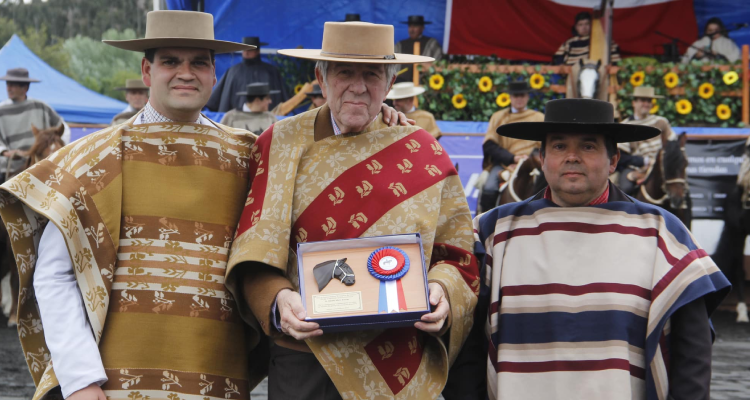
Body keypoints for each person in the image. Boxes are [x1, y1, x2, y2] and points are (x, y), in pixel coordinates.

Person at [0, 11, 262, 400]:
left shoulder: (247, 155)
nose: (185, 73)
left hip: (217, 378)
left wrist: (384, 119)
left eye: (199, 62)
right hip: (114, 383)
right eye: (171, 61)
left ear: (214, 74)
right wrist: (80, 382)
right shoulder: (92, 157)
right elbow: (55, 276)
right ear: (146, 70)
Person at [226, 21, 479, 400]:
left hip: (395, 358)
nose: (358, 86)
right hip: (303, 357)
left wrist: (443, 290)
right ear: (321, 78)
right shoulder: (277, 144)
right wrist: (278, 300)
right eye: (345, 72)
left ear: (390, 84)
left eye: (372, 74)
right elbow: (252, 250)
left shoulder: (422, 151)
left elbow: (457, 254)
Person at [473, 98, 730, 400]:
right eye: (558, 147)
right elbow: (468, 345)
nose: (572, 157)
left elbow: (693, 348)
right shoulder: (493, 232)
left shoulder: (662, 231)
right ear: (541, 158)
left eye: (588, 146)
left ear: (614, 160)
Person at [479, 81, 544, 212]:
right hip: (504, 163)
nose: (519, 99)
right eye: (516, 96)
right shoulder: (498, 117)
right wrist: (512, 158)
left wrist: (531, 158)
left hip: (535, 163)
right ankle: (486, 223)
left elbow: (546, 144)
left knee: (551, 185)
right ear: (510, 97)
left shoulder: (539, 117)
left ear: (527, 97)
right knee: (489, 187)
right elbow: (489, 145)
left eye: (522, 95)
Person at [0, 68, 67, 180]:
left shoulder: (41, 107)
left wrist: (58, 148)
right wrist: (4, 151)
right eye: (7, 84)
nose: (8, 88)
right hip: (10, 167)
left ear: (25, 88)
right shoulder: (1, 110)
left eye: (13, 85)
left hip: (40, 165)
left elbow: (62, 127)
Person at [617, 86, 676, 195]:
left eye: (649, 100)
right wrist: (644, 161)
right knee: (625, 189)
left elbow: (673, 145)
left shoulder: (661, 122)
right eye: (642, 100)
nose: (646, 104)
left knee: (680, 188)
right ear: (634, 103)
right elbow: (621, 157)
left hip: (661, 166)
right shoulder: (626, 125)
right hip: (637, 168)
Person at [206, 36, 289, 112]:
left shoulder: (271, 71)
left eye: (249, 49)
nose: (246, 52)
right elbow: (217, 99)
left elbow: (284, 99)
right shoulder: (233, 71)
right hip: (237, 120)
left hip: (267, 118)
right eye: (244, 49)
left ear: (257, 51)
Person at [553, 11, 621, 65]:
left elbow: (615, 60)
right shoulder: (569, 42)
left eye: (587, 24)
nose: (584, 27)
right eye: (580, 24)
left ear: (592, 25)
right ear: (576, 27)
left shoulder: (604, 40)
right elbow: (558, 59)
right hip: (573, 75)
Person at [394, 15, 442, 82]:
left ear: (422, 28)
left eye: (415, 26)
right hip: (399, 84)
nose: (412, 29)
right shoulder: (400, 44)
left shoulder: (431, 43)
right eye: (410, 26)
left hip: (423, 83)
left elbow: (438, 65)